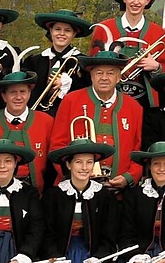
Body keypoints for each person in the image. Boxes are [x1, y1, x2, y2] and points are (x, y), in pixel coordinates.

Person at [50, 48, 144, 191]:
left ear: (119, 77)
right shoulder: (71, 100)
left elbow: (137, 150)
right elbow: (57, 145)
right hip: (75, 188)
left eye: (110, 73)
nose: (104, 77)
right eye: (99, 73)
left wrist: (129, 177)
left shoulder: (134, 107)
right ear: (92, 76)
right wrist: (75, 177)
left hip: (119, 193)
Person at [91, 0, 165, 99]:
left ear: (148, 0)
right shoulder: (103, 28)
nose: (136, 2)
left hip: (145, 101)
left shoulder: (159, 33)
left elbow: (163, 72)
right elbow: (92, 65)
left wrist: (156, 67)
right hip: (108, 96)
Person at [0, 72, 53, 187]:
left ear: (29, 94)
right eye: (13, 92)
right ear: (4, 96)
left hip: (33, 194)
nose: (18, 97)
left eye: (23, 92)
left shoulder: (46, 121)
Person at [28, 10, 89, 115]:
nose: (62, 33)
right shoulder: (34, 61)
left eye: (67, 30)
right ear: (50, 30)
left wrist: (71, 83)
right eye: (57, 29)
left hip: (71, 114)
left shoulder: (83, 62)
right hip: (39, 115)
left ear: (74, 34)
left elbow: (87, 91)